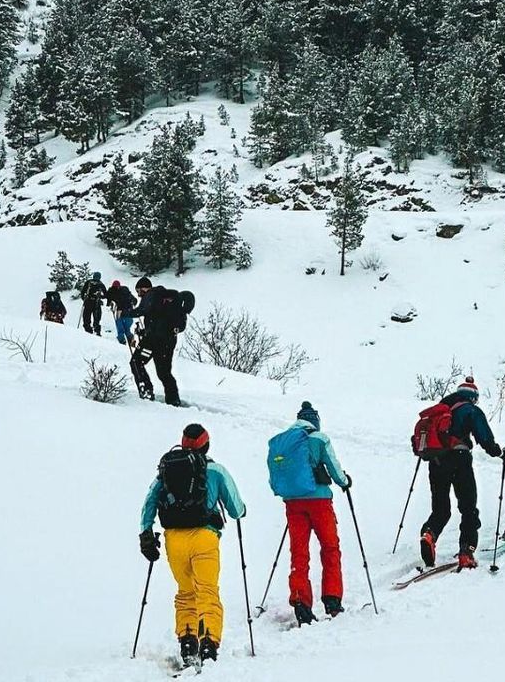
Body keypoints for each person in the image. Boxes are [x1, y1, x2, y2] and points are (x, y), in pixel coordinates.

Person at [140, 424, 246, 668]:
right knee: (207, 591)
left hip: (174, 539)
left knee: (186, 591)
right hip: (204, 537)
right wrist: (242, 511)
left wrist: (146, 533)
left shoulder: (167, 470)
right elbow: (235, 509)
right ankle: (208, 644)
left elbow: (150, 501)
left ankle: (188, 643)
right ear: (206, 445)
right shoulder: (216, 470)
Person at [267, 402, 350, 625]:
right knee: (330, 548)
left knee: (299, 553)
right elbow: (334, 469)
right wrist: (344, 481)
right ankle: (332, 598)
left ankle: (300, 600)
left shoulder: (284, 441)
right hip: (320, 501)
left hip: (293, 504)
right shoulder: (319, 438)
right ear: (315, 421)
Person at [419, 377, 504, 570]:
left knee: (441, 509)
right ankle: (466, 552)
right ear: (473, 397)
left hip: (436, 461)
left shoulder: (440, 410)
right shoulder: (470, 410)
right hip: (460, 460)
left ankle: (429, 534)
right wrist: (498, 452)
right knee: (468, 508)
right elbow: (485, 437)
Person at [128, 277, 188, 406]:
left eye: (138, 291)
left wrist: (126, 313)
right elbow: (158, 319)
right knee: (164, 372)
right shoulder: (165, 297)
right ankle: (173, 400)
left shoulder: (151, 294)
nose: (138, 295)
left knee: (136, 362)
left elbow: (142, 310)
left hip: (153, 340)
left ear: (144, 288)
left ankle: (146, 391)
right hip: (169, 340)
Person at [106, 279, 138, 346]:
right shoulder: (115, 291)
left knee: (122, 327)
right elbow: (133, 299)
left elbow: (132, 299)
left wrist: (134, 301)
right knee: (124, 328)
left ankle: (124, 340)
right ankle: (128, 339)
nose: (117, 288)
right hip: (126, 311)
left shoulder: (123, 290)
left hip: (124, 311)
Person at [81, 271, 108, 336]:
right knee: (97, 319)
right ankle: (97, 332)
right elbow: (106, 295)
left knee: (86, 318)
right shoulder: (101, 284)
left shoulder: (88, 282)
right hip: (96, 303)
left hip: (88, 302)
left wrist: (84, 299)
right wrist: (100, 296)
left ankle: (88, 331)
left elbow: (83, 292)